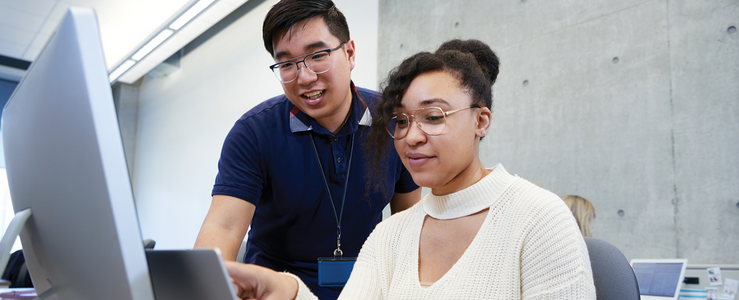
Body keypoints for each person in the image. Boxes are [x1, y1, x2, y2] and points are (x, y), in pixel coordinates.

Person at [222, 39, 597, 299]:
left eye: (433, 116)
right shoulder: (391, 235)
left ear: (481, 121)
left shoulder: (540, 218)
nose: (411, 137)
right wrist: (288, 292)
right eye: (400, 121)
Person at [193, 1, 421, 299]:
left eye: (317, 56)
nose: (304, 77)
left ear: (349, 53)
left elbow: (410, 221)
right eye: (287, 64)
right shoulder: (254, 132)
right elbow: (223, 229)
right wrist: (204, 290)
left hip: (366, 288)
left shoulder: (392, 121)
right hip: (277, 291)